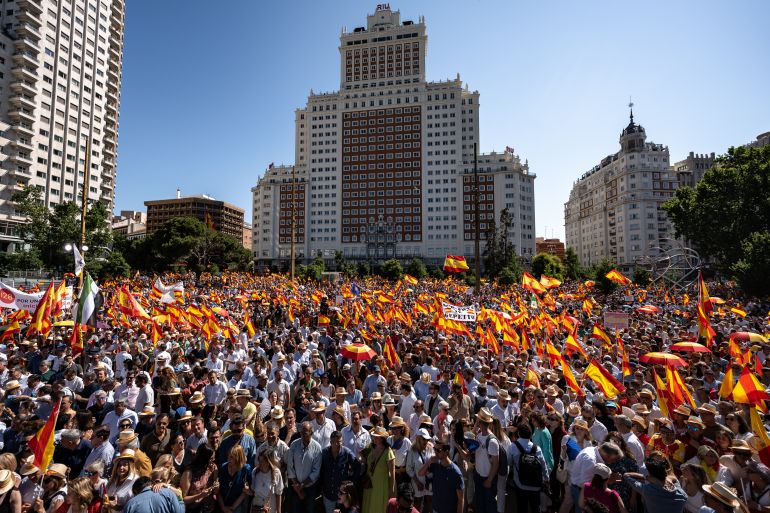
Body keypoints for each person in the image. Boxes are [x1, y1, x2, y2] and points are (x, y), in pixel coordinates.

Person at [622, 456, 688, 513]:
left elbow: (626, 475)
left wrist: (646, 477)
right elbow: (674, 479)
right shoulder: (682, 495)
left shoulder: (648, 491)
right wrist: (665, 479)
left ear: (651, 476)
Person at [508, 422, 549, 513]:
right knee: (535, 508)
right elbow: (543, 465)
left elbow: (509, 462)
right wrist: (546, 479)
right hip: (535, 485)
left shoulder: (513, 446)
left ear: (518, 433)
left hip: (520, 484)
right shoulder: (537, 448)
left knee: (522, 507)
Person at [419, 439, 464, 513]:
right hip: (435, 509)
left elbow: (461, 499)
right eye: (434, 449)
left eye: (438, 450)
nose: (435, 452)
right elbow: (420, 473)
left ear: (446, 452)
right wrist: (429, 461)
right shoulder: (435, 465)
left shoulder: (455, 472)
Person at [320, 430, 360, 513]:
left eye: (339, 442)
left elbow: (357, 466)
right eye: (335, 442)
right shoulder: (324, 453)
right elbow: (320, 471)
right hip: (328, 494)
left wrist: (351, 482)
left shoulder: (347, 453)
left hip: (343, 495)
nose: (337, 444)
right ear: (331, 442)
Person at [286, 421, 322, 513]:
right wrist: (297, 487)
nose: (302, 435)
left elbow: (316, 472)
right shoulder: (294, 445)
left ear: (311, 433)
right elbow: (290, 466)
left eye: (305, 432)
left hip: (310, 487)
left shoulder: (317, 448)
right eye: (301, 432)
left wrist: (301, 486)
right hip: (295, 486)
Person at [363, 426, 396, 513]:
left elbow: (392, 473)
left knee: (378, 507)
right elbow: (361, 453)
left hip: (381, 486)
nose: (374, 438)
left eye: (377, 437)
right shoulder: (371, 447)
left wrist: (391, 490)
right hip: (370, 484)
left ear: (382, 439)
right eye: (374, 436)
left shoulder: (388, 451)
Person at [179, 444, 219, 513]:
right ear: (204, 459)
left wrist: (216, 485)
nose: (213, 460)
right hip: (192, 510)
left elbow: (215, 492)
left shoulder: (212, 468)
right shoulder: (189, 472)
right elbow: (183, 499)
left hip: (207, 509)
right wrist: (200, 495)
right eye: (211, 459)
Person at [474, 408, 500, 513]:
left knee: (489, 507)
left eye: (477, 420)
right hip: (478, 476)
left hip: (488, 479)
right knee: (480, 506)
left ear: (480, 422)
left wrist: (489, 480)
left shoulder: (492, 441)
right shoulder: (478, 435)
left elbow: (496, 463)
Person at [217, 444, 252, 513]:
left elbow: (245, 492)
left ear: (238, 458)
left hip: (237, 506)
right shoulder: (223, 467)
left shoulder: (245, 469)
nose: (228, 459)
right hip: (222, 505)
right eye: (228, 456)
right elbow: (218, 490)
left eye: (231, 457)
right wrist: (223, 507)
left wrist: (232, 508)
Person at [249, 448, 283, 513]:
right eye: (259, 460)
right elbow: (253, 492)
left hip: (270, 508)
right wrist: (247, 491)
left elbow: (278, 494)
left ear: (269, 461)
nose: (260, 463)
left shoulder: (276, 472)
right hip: (257, 508)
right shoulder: (255, 472)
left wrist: (279, 511)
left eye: (263, 461)